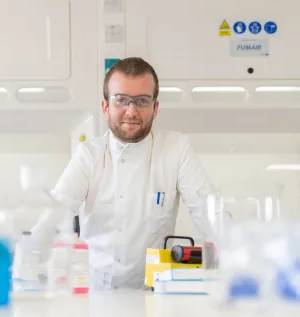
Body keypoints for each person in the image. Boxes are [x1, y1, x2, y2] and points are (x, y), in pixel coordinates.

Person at [31, 57, 214, 291]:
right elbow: (55, 213)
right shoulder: (89, 155)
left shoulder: (175, 148)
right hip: (96, 294)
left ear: (155, 108)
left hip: (154, 295)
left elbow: (209, 211)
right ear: (105, 106)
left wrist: (236, 255)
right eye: (121, 100)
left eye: (142, 101)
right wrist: (28, 259)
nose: (131, 110)